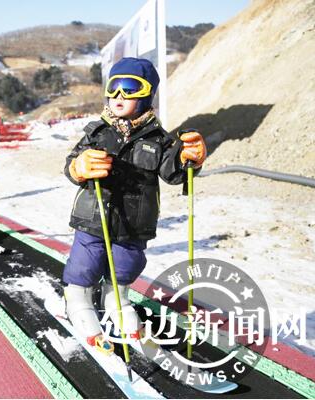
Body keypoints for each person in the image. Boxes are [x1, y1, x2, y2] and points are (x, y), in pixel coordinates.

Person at [62, 57, 207, 351]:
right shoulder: (96, 132)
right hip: (93, 217)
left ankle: (117, 301)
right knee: (85, 264)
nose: (119, 95)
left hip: (134, 222)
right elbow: (71, 164)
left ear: (146, 94)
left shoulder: (159, 139)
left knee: (125, 266)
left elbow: (173, 173)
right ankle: (77, 299)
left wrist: (188, 160)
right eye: (114, 87)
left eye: (129, 88)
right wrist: (79, 166)